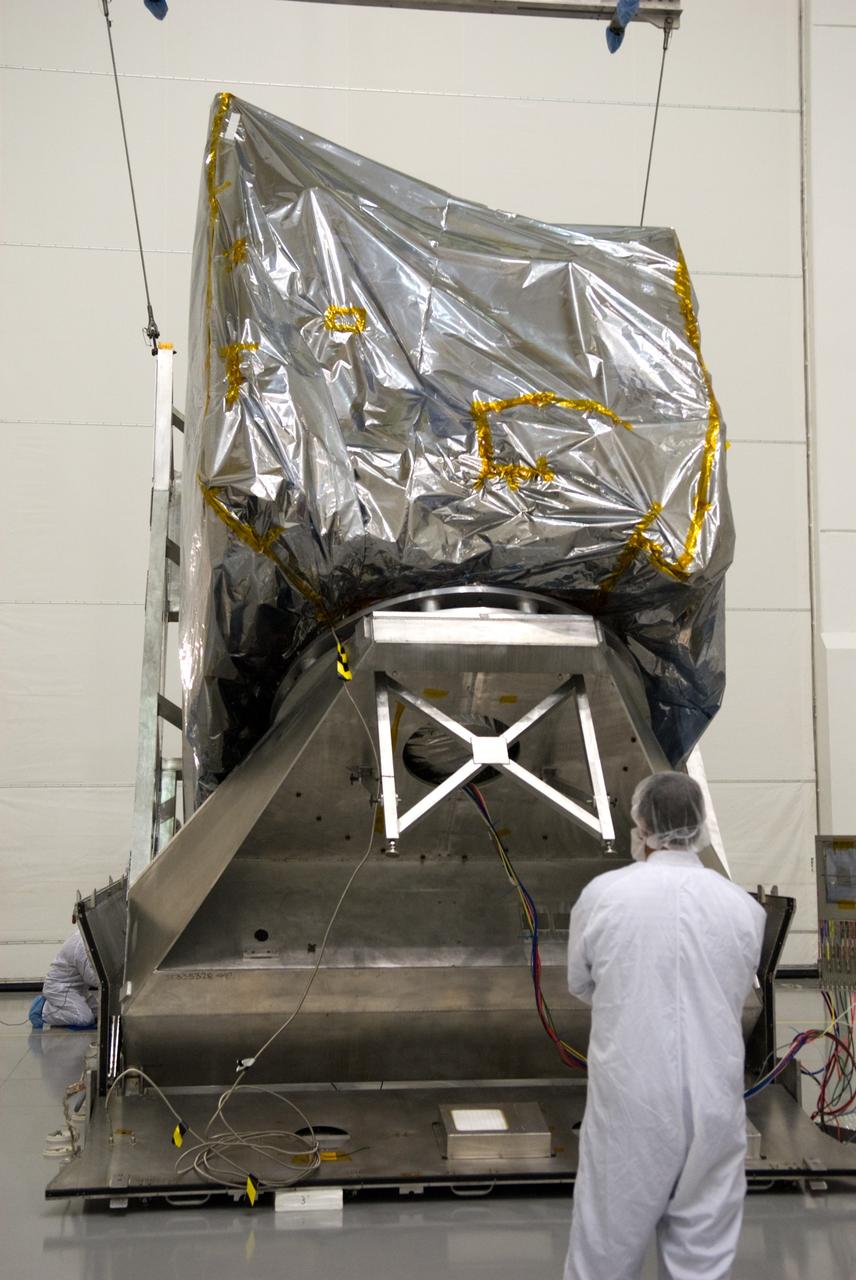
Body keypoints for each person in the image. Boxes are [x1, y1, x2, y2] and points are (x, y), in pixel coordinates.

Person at [565, 771, 767, 1280]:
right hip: (715, 1100)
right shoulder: (744, 908)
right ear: (700, 826)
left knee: (605, 1251)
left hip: (631, 1099)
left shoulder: (603, 895)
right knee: (703, 1250)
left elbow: (581, 985)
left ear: (640, 822)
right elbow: (737, 988)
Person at [29, 918, 98, 1030]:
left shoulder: (86, 936)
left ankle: (53, 1006)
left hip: (77, 989)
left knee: (100, 1014)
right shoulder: (81, 944)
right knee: (85, 1018)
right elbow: (91, 978)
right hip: (61, 989)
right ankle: (43, 1009)